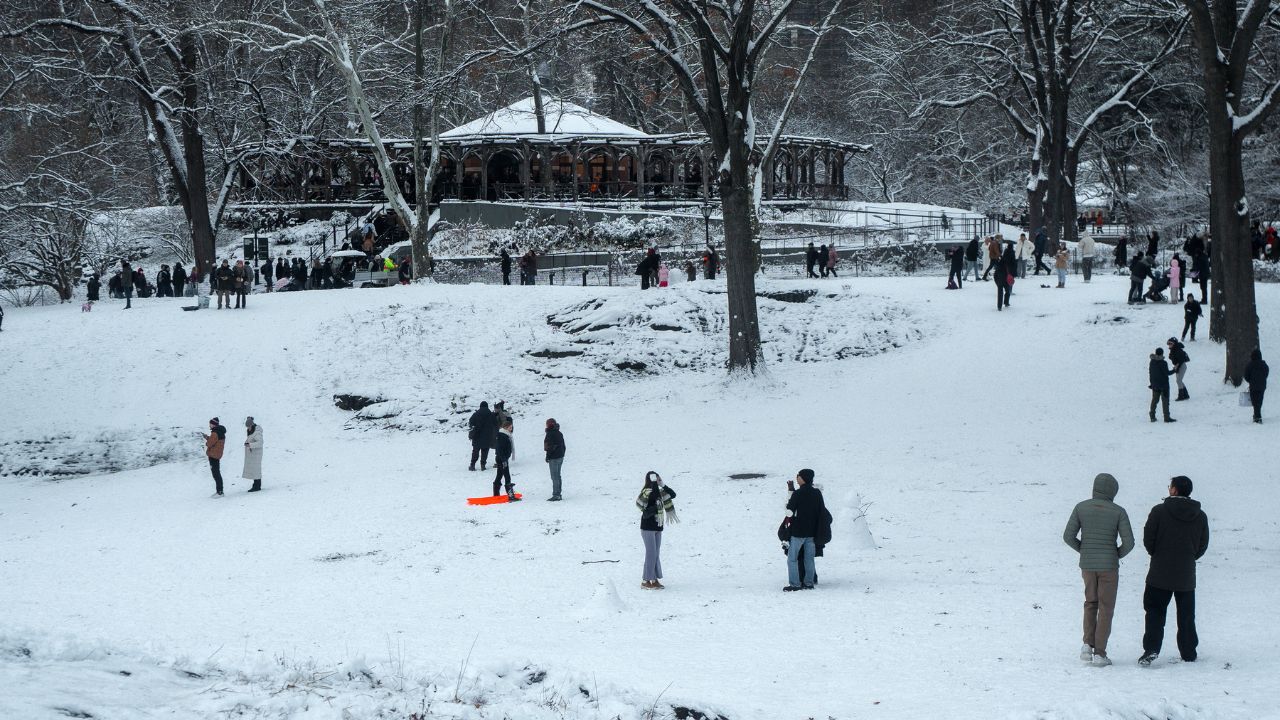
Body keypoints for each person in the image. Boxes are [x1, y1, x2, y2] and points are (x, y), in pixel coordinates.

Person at [1063, 472, 1135, 667]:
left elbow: (1068, 536)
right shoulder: (1119, 511)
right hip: (1108, 567)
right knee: (1106, 608)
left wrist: (1085, 551)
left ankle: (1087, 645)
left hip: (1087, 565)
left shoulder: (1081, 507)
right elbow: (1129, 542)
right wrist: (1115, 554)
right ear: (1113, 491)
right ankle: (1100, 653)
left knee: (1090, 603)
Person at [1139, 476, 1209, 667]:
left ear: (1175, 490)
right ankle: (1188, 652)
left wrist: (1157, 554)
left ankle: (1151, 649)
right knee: (1186, 615)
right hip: (1186, 575)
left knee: (1154, 611)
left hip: (1159, 573)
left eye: (1170, 486)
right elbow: (1202, 545)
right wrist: (1188, 558)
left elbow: (1148, 539)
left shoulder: (1159, 511)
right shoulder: (1200, 516)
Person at [784, 469, 828, 591]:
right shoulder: (817, 493)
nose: (797, 478)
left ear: (803, 478)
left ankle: (795, 584)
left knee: (792, 558)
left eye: (798, 476)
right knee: (809, 559)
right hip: (812, 532)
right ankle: (809, 583)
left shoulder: (798, 494)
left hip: (798, 532)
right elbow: (821, 511)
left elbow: (789, 511)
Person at [636, 471, 677, 589]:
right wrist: (654, 485)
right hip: (647, 527)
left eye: (659, 478)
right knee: (651, 554)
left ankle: (654, 579)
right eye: (655, 479)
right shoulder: (646, 492)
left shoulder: (661, 491)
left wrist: (662, 484)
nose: (657, 480)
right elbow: (642, 503)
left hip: (658, 527)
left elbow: (673, 495)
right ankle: (646, 580)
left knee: (655, 554)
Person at [492, 417, 519, 501]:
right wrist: (504, 460)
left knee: (499, 475)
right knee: (507, 476)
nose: (511, 429)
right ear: (506, 427)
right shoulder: (502, 436)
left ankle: (496, 494)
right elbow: (499, 449)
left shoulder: (505, 435)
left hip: (502, 458)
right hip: (502, 459)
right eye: (510, 427)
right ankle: (511, 496)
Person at [1149, 347, 1176, 423]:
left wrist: (1151, 383)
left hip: (1155, 385)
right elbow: (1167, 373)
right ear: (1162, 353)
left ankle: (1152, 416)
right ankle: (1166, 417)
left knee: (1154, 401)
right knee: (1165, 401)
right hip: (1164, 386)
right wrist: (1174, 370)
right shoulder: (1163, 363)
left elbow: (1150, 373)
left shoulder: (1152, 361)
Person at [468, 401, 497, 471]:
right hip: (487, 436)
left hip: (477, 436)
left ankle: (472, 465)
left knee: (475, 451)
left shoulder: (476, 414)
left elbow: (470, 422)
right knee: (485, 451)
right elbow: (495, 424)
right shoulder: (491, 414)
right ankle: (483, 465)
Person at [202, 417, 227, 497]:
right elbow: (214, 441)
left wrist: (207, 442)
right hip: (216, 455)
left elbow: (209, 444)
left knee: (216, 474)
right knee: (217, 473)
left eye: (210, 424)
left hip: (213, 455)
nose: (209, 425)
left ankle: (220, 492)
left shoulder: (215, 433)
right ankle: (219, 491)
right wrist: (207, 437)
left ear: (213, 424)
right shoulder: (219, 432)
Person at [1245, 348, 1269, 423]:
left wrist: (1250, 381)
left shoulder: (1250, 365)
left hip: (1253, 386)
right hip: (1262, 386)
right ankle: (1257, 415)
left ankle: (1257, 417)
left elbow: (1246, 375)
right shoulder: (1264, 364)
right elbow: (1266, 373)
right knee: (1259, 400)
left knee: (1255, 401)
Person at [543, 418, 565, 501]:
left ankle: (556, 495)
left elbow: (549, 447)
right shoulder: (559, 433)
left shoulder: (550, 434)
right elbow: (563, 446)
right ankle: (558, 493)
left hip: (554, 458)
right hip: (560, 457)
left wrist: (548, 456)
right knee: (558, 476)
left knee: (554, 477)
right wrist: (562, 454)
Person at [242, 416, 263, 492]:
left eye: (249, 426)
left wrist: (250, 445)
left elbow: (260, 443)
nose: (248, 428)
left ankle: (257, 486)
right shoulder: (251, 431)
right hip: (253, 453)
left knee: (256, 469)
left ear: (252, 425)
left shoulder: (257, 432)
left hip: (256, 454)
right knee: (254, 470)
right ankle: (256, 485)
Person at [995, 241, 1015, 310]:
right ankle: (1006, 302)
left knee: (1000, 291)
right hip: (1007, 276)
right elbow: (1014, 266)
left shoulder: (1003, 257)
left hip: (999, 276)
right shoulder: (1012, 254)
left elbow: (997, 267)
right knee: (1008, 290)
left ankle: (999, 306)